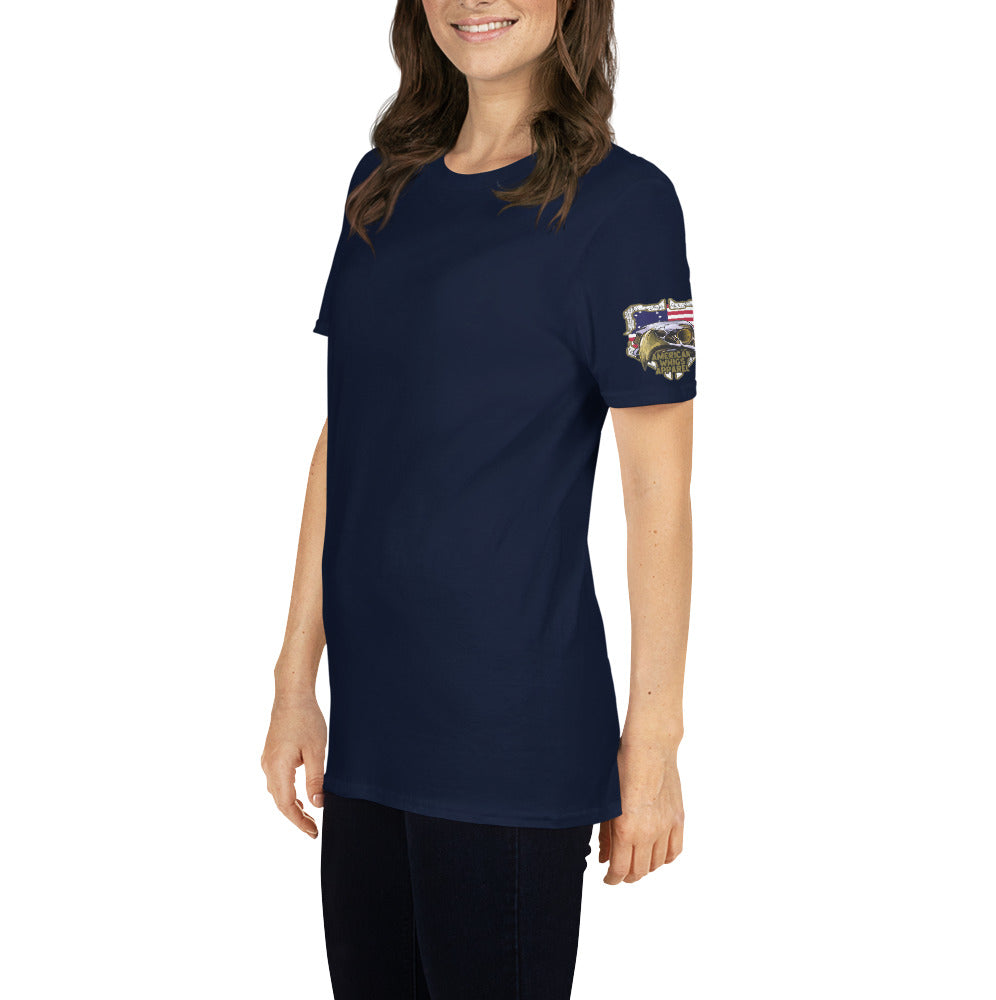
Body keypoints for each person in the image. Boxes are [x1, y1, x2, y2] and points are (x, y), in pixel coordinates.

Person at [260, 1, 695, 996]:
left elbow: (658, 489)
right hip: (371, 737)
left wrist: (654, 742)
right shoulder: (380, 186)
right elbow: (345, 439)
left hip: (511, 740)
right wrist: (293, 683)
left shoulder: (630, 207)